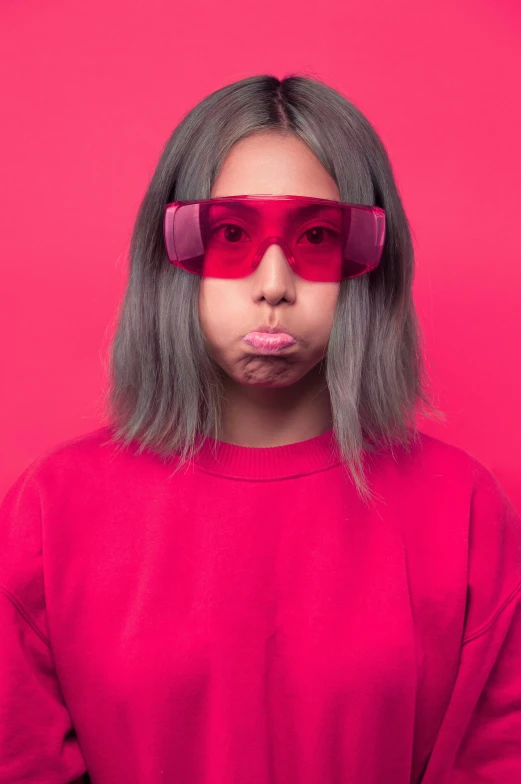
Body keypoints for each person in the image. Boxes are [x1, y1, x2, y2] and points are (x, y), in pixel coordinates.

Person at [0, 73, 520, 784]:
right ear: (168, 256)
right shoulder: (48, 512)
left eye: (316, 236)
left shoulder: (464, 511)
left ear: (366, 262)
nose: (273, 283)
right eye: (230, 234)